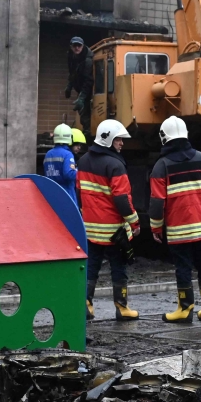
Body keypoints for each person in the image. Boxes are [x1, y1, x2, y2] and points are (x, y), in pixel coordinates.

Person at [149, 116, 201, 323]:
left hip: (179, 230)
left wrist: (155, 228)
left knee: (183, 268)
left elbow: (156, 202)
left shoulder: (161, 166)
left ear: (164, 138)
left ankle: (185, 308)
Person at [77, 119, 140, 321]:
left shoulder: (84, 160)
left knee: (91, 266)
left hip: (91, 228)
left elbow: (80, 192)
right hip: (114, 230)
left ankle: (85, 304)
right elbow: (122, 198)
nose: (122, 143)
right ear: (108, 140)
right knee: (119, 268)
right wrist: (135, 222)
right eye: (118, 139)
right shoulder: (115, 165)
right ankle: (122, 308)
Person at [44, 123, 77, 204]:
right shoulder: (67, 154)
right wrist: (77, 170)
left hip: (51, 194)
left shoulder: (48, 154)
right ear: (69, 137)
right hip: (66, 194)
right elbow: (69, 175)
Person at [66, 37, 94, 131]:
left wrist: (82, 97)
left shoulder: (87, 60)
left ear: (82, 46)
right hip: (79, 86)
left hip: (89, 89)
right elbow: (72, 72)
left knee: (84, 112)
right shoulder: (71, 56)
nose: (77, 48)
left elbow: (88, 80)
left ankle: (87, 136)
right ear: (71, 47)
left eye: (79, 45)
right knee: (81, 110)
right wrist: (69, 86)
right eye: (75, 46)